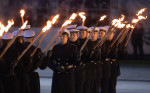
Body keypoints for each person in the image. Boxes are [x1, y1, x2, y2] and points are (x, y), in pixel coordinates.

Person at [12, 27, 30, 93]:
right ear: (22, 38)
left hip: (12, 76)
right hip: (22, 76)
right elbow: (28, 64)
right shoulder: (25, 48)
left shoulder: (10, 48)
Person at [69, 28, 85, 93]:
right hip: (69, 72)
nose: (72, 36)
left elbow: (86, 58)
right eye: (71, 34)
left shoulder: (82, 45)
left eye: (74, 35)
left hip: (79, 71)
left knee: (78, 89)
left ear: (77, 36)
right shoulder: (67, 45)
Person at [77, 26, 92, 93]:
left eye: (83, 32)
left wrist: (87, 52)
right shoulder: (76, 42)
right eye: (80, 32)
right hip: (78, 68)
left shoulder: (90, 42)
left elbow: (90, 57)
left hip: (87, 68)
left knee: (86, 87)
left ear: (86, 33)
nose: (81, 34)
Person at [88, 27, 102, 93]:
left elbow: (102, 56)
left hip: (97, 68)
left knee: (96, 87)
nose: (93, 34)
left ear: (97, 34)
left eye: (94, 33)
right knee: (88, 87)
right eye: (91, 33)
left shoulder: (100, 43)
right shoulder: (87, 43)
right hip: (88, 68)